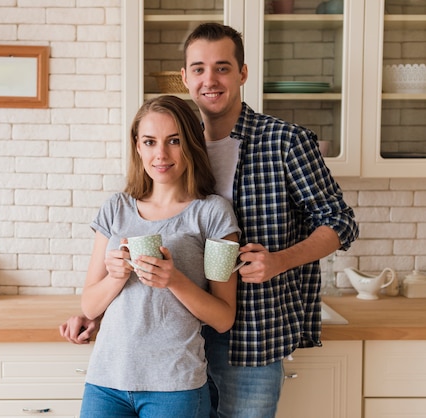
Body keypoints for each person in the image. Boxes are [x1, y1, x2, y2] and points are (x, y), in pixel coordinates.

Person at [61, 23, 359, 418]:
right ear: (184, 77)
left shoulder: (284, 142)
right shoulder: (175, 140)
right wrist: (102, 309)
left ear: (242, 73)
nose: (210, 80)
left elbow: (341, 222)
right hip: (168, 345)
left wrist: (279, 260)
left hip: (249, 334)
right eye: (198, 69)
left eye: (222, 67)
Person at [78, 94, 240, 418]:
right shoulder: (115, 208)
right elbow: (89, 305)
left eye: (174, 141)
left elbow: (223, 318)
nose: (161, 154)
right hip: (106, 381)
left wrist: (174, 280)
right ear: (138, 146)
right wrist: (116, 277)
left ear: (191, 143)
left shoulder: (213, 214)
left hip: (175, 386)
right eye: (150, 142)